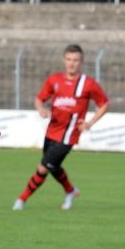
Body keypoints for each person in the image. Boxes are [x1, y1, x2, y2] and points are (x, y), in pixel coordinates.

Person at [12, 44, 109, 211]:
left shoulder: (88, 84)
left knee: (43, 168)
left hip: (68, 136)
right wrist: (41, 109)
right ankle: (70, 191)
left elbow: (104, 104)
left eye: (76, 60)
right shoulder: (54, 80)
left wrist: (90, 123)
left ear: (81, 62)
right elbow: (39, 98)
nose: (72, 63)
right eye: (69, 59)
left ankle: (21, 200)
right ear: (64, 60)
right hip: (51, 132)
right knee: (53, 166)